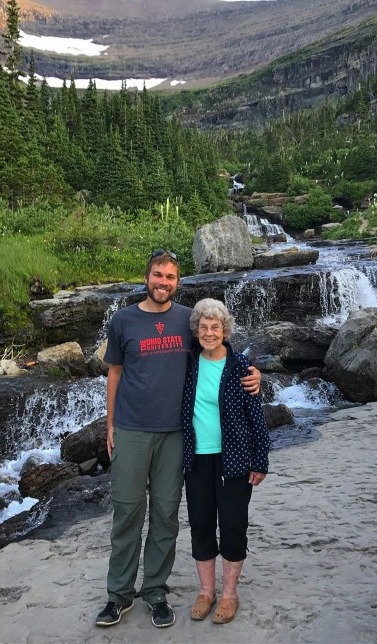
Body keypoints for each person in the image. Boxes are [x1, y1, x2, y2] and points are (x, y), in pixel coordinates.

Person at [95, 251, 261, 629]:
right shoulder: (122, 321)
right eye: (158, 275)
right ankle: (118, 595)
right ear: (146, 276)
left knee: (166, 517)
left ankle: (155, 592)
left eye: (171, 277)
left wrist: (253, 374)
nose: (163, 282)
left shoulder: (188, 320)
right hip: (133, 430)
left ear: (177, 282)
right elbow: (115, 374)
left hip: (176, 436)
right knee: (127, 513)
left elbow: (218, 347)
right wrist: (110, 424)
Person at [181, 298, 270, 625]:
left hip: (234, 460)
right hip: (196, 459)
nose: (208, 333)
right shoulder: (188, 363)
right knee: (201, 524)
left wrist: (260, 460)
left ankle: (230, 593)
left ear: (225, 329)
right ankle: (207, 591)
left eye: (215, 327)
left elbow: (257, 419)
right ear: (196, 331)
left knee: (233, 526)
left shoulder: (241, 367)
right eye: (203, 327)